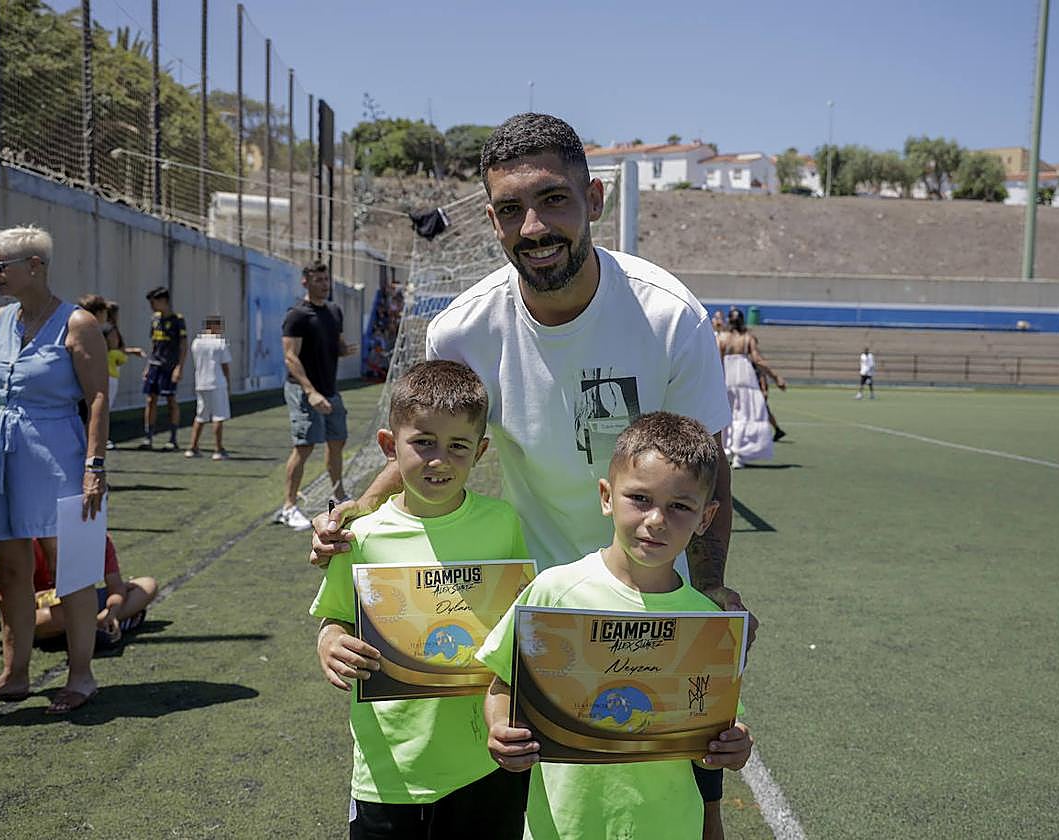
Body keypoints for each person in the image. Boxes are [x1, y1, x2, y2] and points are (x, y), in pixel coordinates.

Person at [314, 113, 753, 837]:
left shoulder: (669, 315)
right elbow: (428, 444)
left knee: (656, 803)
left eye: (553, 199)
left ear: (595, 199)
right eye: (511, 209)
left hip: (650, 604)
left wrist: (703, 597)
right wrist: (353, 514)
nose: (534, 226)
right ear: (491, 219)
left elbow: (707, 465)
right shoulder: (461, 329)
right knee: (530, 808)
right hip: (534, 609)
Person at [478, 413, 753, 840]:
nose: (657, 520)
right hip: (563, 827)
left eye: (680, 506)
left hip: (666, 826)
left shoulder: (707, 621)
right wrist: (499, 728)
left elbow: (717, 727)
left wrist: (734, 745)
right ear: (607, 496)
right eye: (640, 499)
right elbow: (502, 684)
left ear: (705, 516)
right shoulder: (554, 592)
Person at [310, 360, 529, 839]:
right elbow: (336, 617)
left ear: (480, 451)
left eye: (457, 446)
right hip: (389, 768)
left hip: (482, 759)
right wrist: (329, 642)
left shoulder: (502, 524)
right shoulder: (363, 536)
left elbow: (519, 625)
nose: (439, 460)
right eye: (423, 442)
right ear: (390, 446)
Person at [0, 225, 108, 714]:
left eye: (0, 265)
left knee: (74, 571)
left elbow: (98, 395)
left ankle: (82, 675)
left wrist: (95, 466)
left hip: (60, 454)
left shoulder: (78, 322)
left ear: (35, 265)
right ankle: (14, 675)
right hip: (0, 457)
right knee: (12, 572)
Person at [276, 262, 355, 530]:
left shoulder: (334, 311)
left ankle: (338, 494)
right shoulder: (297, 315)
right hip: (303, 390)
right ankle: (288, 507)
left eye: (326, 279)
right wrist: (310, 392)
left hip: (330, 390)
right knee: (304, 446)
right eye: (318, 279)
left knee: (337, 440)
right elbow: (290, 357)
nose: (324, 284)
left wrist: (345, 350)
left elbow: (336, 344)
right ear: (305, 282)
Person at [31, 535, 156, 649]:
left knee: (148, 585)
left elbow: (116, 587)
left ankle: (97, 625)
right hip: (46, 609)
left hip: (85, 603)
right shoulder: (32, 543)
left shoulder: (97, 538)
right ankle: (96, 628)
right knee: (47, 616)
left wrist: (111, 613)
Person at [717, 308, 786, 469]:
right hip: (745, 379)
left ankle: (726, 451)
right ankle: (739, 455)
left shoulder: (722, 338)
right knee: (745, 416)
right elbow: (758, 360)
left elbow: (717, 361)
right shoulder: (747, 338)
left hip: (727, 379)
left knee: (727, 416)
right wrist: (775, 377)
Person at [141, 286, 187, 451]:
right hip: (155, 366)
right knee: (150, 400)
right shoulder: (154, 319)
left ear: (164, 301)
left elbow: (183, 345)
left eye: (154, 302)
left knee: (170, 400)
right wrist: (147, 366)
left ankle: (173, 439)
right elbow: (154, 344)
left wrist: (179, 367)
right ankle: (148, 438)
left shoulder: (177, 320)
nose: (152, 306)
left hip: (169, 366)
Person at [186, 315, 232, 460]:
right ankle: (218, 449)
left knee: (200, 415)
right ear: (214, 327)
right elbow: (225, 366)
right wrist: (228, 382)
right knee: (219, 416)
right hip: (217, 383)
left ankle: (192, 447)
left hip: (200, 382)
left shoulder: (196, 342)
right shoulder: (220, 343)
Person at [103, 300, 143, 448]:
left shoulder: (105, 328)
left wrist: (131, 352)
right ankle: (103, 438)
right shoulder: (110, 329)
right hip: (109, 373)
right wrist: (123, 356)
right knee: (105, 408)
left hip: (108, 371)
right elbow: (115, 351)